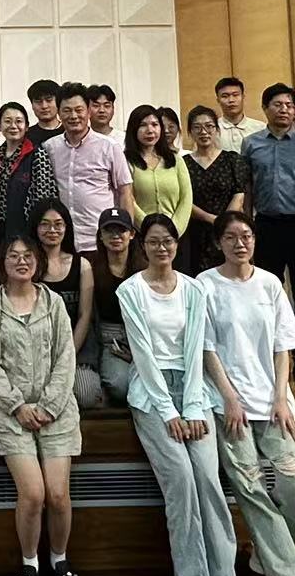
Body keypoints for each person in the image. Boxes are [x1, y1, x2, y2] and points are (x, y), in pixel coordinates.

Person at [118, 212, 242, 576]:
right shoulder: (130, 290)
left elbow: (195, 350)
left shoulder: (193, 288)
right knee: (181, 480)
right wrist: (169, 411)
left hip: (194, 390)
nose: (162, 248)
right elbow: (143, 356)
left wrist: (190, 407)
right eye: (153, 241)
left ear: (176, 244)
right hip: (151, 394)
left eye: (168, 241)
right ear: (143, 246)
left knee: (208, 479)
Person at [197, 210, 295, 576]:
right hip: (228, 405)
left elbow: (284, 346)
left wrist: (281, 396)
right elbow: (207, 349)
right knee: (250, 489)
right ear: (218, 243)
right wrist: (229, 398)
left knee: (294, 485)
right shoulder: (205, 285)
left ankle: (267, 556)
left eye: (246, 235)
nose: (240, 243)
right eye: (231, 237)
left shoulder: (269, 284)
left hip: (273, 404)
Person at [0, 228, 84, 576]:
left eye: (27, 256)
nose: (21, 261)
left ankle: (59, 560)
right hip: (11, 413)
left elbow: (65, 358)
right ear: (2, 262)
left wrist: (49, 405)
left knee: (58, 494)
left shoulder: (54, 303)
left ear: (37, 262)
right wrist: (17, 406)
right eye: (13, 255)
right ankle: (29, 565)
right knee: (34, 493)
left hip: (56, 411)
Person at [241, 83, 295, 345]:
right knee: (266, 290)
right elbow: (247, 187)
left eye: (289, 105)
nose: (284, 110)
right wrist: (248, 223)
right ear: (265, 108)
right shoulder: (251, 143)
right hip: (266, 225)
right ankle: (272, 347)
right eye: (278, 105)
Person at [45, 82, 136, 258]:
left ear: (88, 111)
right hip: (63, 242)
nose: (73, 116)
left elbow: (125, 193)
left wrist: (127, 235)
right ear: (59, 113)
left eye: (79, 110)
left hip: (100, 241)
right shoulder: (50, 148)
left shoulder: (109, 147)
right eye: (67, 110)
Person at [33, 199, 102, 410]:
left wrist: (67, 353)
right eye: (45, 224)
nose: (52, 230)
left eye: (58, 224)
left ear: (67, 227)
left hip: (76, 347)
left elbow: (84, 315)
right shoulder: (29, 264)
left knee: (85, 394)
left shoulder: (82, 265)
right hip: (37, 349)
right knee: (38, 394)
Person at [126, 103, 196, 270]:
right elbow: (128, 199)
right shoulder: (126, 161)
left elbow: (186, 197)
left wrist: (173, 230)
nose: (150, 130)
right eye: (143, 125)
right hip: (143, 237)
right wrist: (149, 228)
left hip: (177, 236)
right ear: (133, 129)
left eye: (155, 124)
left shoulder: (175, 159)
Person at [183, 106, 248, 278]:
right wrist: (211, 219)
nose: (204, 132)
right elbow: (184, 199)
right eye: (197, 127)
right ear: (190, 132)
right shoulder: (183, 163)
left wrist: (224, 222)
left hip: (229, 230)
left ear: (217, 130)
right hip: (195, 232)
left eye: (209, 126)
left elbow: (239, 194)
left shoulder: (232, 160)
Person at [0, 101, 59, 254]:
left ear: (26, 127)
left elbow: (44, 198)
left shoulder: (37, 154)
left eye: (19, 121)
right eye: (7, 121)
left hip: (27, 229)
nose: (13, 126)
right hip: (0, 229)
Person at [90, 208, 138, 405]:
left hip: (136, 337)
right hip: (106, 337)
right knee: (120, 385)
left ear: (131, 234)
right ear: (100, 235)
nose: (115, 236)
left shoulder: (142, 267)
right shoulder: (90, 266)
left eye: (121, 230)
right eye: (109, 230)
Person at [213, 76, 265, 154]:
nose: (231, 100)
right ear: (218, 100)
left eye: (235, 95)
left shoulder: (260, 128)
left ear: (243, 97)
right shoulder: (212, 130)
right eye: (225, 96)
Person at [26, 78, 64, 146]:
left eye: (49, 100)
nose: (44, 106)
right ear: (32, 105)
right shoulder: (25, 136)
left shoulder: (69, 131)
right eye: (38, 101)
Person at [88, 84, 123, 148]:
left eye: (107, 106)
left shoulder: (124, 139)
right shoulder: (81, 138)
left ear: (113, 109)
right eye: (96, 106)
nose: (102, 110)